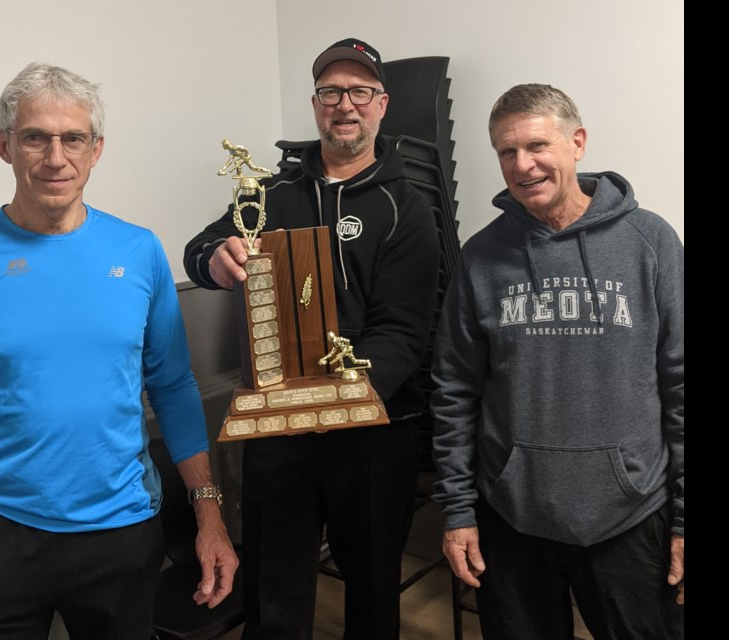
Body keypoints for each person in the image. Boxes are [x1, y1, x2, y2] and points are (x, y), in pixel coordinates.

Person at [184, 38, 440, 640]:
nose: (343, 105)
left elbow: (403, 332)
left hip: (375, 429)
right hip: (281, 430)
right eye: (330, 92)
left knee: (373, 587)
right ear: (315, 103)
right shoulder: (268, 196)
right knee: (275, 585)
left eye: (358, 92)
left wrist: (335, 401)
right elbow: (200, 249)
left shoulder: (408, 207)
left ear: (381, 104)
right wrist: (215, 261)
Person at [0, 62, 239, 640]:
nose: (56, 157)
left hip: (120, 534)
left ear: (96, 149)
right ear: (4, 146)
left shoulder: (139, 249)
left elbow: (173, 387)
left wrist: (208, 514)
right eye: (35, 137)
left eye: (73, 138)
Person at [430, 82, 684, 639]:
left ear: (577, 142)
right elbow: (454, 391)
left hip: (632, 514)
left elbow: (680, 385)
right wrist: (458, 512)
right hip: (512, 515)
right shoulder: (481, 257)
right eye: (506, 151)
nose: (523, 165)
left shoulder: (651, 242)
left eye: (537, 145)